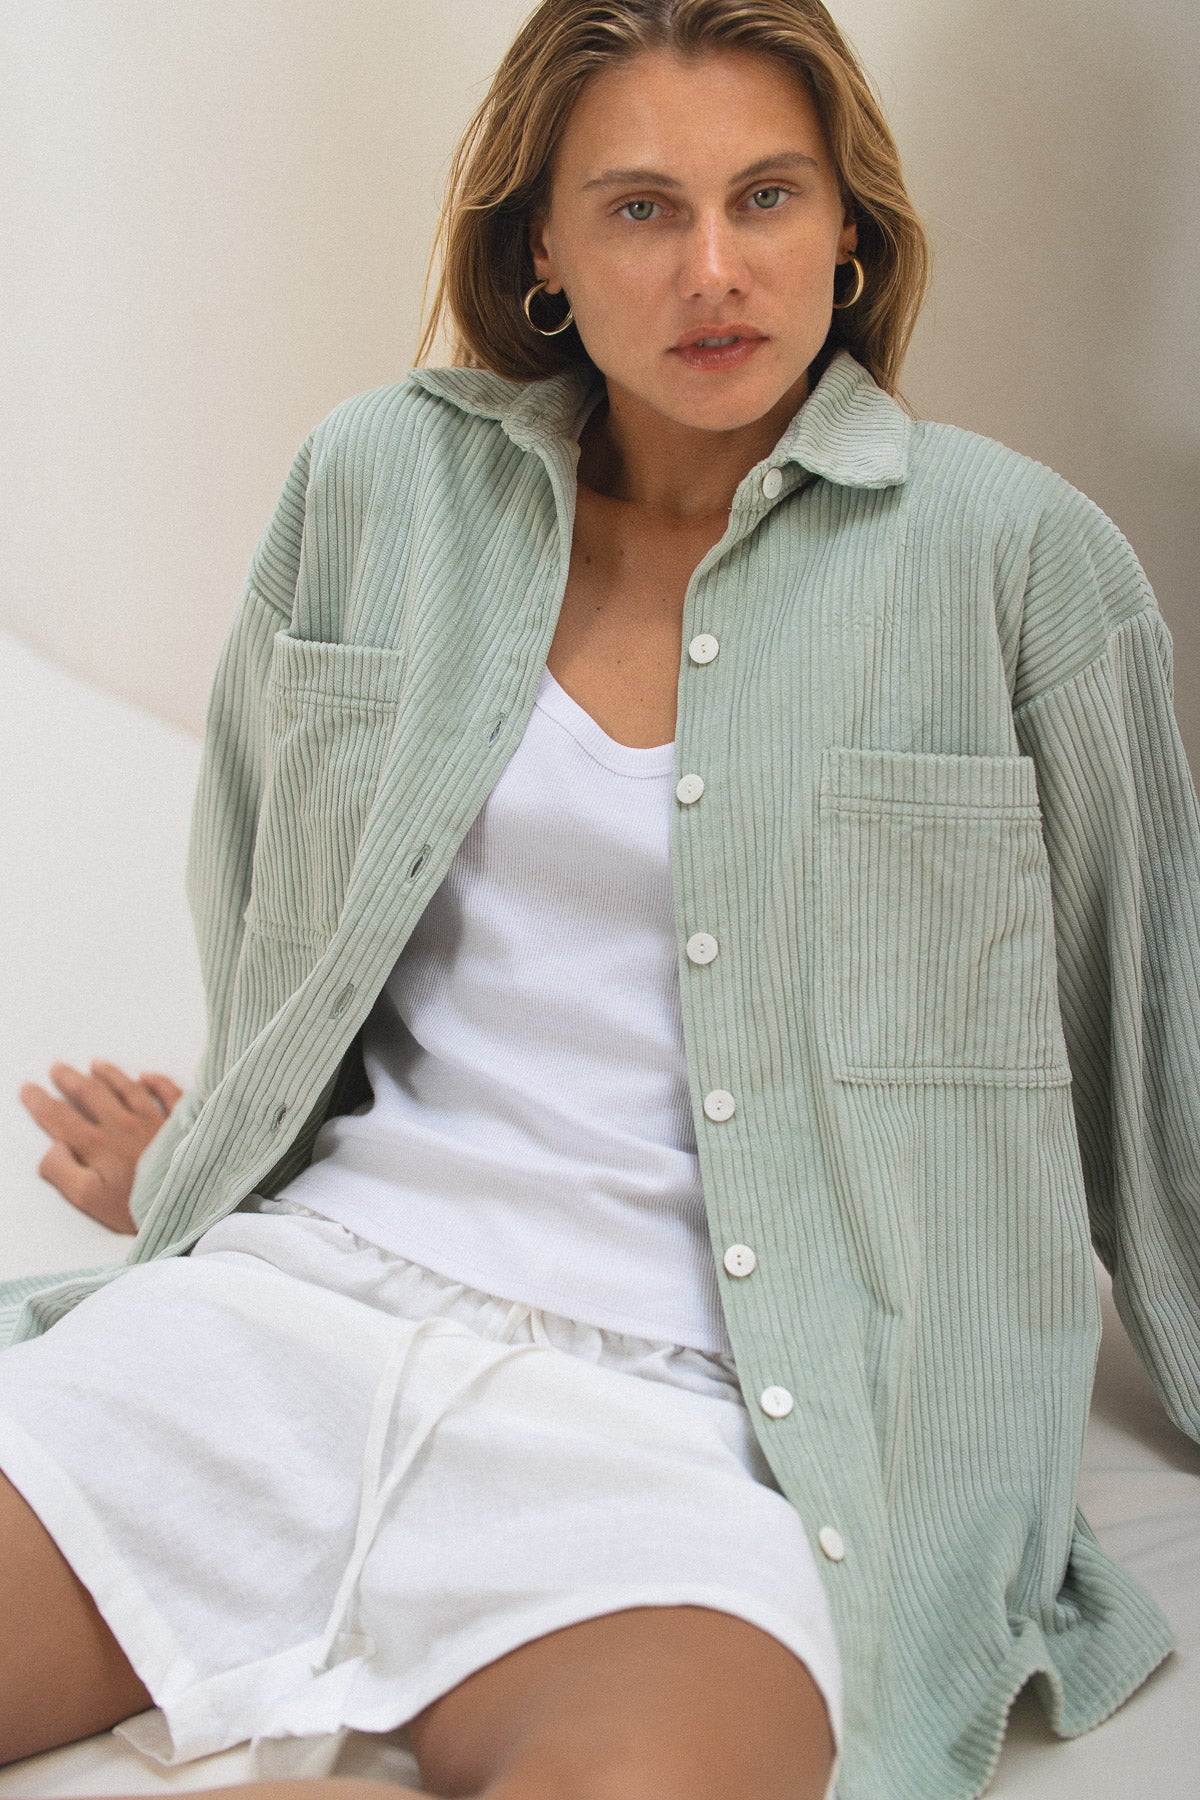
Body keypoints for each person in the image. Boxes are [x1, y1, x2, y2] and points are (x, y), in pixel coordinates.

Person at [4, 2, 1199, 1798]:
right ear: (542, 249)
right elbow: (271, 905)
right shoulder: (375, 488)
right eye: (641, 210)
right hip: (292, 1317)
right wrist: (207, 1159)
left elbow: (1150, 1035)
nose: (716, 270)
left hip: (700, 1427)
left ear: (851, 227)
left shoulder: (1020, 566)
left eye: (769, 199)